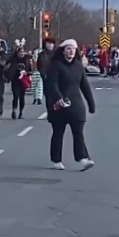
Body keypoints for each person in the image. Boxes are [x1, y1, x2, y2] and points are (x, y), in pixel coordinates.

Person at [44, 39, 96, 171]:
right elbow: (52, 84)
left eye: (73, 49)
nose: (71, 51)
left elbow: (84, 85)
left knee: (78, 133)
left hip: (76, 105)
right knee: (58, 133)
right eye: (68, 48)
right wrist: (58, 98)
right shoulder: (55, 65)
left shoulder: (78, 66)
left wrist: (91, 103)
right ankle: (56, 160)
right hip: (59, 105)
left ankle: (83, 158)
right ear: (62, 51)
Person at [7, 42, 29, 119]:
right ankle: (14, 110)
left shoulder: (26, 59)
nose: (22, 54)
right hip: (15, 79)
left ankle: (21, 112)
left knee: (22, 97)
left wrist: (27, 72)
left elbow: (30, 70)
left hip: (23, 80)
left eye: (23, 52)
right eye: (20, 52)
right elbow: (8, 66)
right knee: (16, 96)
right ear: (17, 53)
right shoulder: (13, 59)